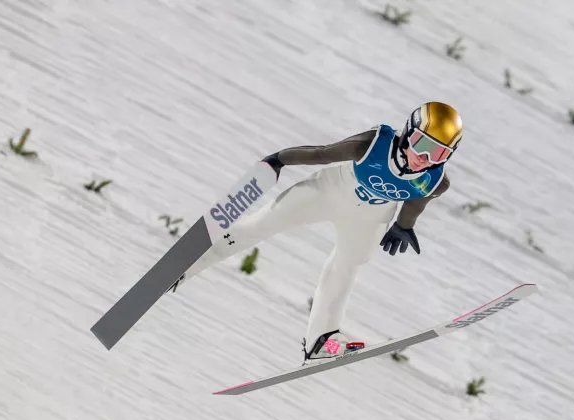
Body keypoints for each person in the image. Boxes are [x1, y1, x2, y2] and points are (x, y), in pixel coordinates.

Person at [174, 101, 463, 364]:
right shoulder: (373, 144)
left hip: (370, 218)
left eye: (438, 153)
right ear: (408, 132)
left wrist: (404, 226)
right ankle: (187, 263)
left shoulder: (435, 180)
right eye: (421, 144)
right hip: (327, 192)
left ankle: (322, 340)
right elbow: (321, 153)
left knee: (347, 267)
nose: (424, 157)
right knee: (262, 224)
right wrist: (279, 159)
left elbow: (417, 200)